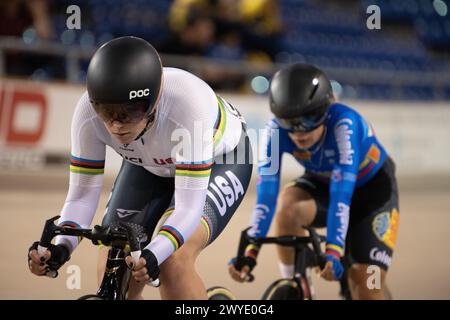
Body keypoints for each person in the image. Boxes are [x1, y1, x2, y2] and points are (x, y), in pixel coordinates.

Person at [27, 36, 253, 300]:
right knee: (115, 266)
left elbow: (189, 208)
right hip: (151, 165)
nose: (116, 126)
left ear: (155, 101)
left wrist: (155, 253)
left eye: (129, 112)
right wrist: (60, 248)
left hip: (222, 159)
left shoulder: (188, 104)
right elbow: (80, 197)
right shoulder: (87, 114)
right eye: (107, 112)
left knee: (173, 261)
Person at [228, 63, 400, 300]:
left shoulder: (345, 124)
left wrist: (333, 251)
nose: (300, 132)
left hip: (371, 194)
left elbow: (342, 197)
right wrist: (251, 250)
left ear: (328, 108)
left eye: (311, 117)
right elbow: (266, 196)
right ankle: (296, 285)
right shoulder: (275, 132)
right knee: (288, 205)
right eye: (290, 121)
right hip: (325, 184)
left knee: (366, 283)